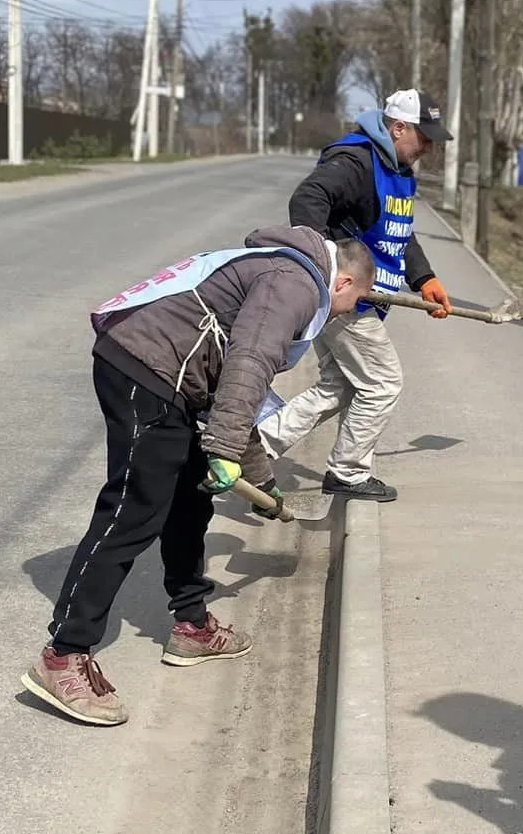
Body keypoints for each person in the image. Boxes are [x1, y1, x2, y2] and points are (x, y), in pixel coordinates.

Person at [24, 229, 377, 727]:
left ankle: (191, 624)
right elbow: (249, 364)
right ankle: (63, 655)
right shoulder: (295, 282)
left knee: (191, 502)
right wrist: (226, 448)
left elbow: (235, 387)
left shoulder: (285, 270)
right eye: (351, 305)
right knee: (135, 512)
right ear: (342, 282)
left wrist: (261, 480)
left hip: (172, 375)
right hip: (146, 368)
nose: (341, 316)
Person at [259, 88, 454, 503]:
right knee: (383, 382)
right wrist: (327, 266)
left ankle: (257, 444)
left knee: (340, 384)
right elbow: (307, 200)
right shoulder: (355, 161)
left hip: (363, 297)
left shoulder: (394, 167)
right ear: (398, 127)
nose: (430, 148)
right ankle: (348, 472)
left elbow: (396, 229)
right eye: (425, 137)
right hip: (348, 298)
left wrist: (424, 278)